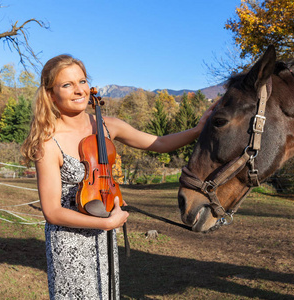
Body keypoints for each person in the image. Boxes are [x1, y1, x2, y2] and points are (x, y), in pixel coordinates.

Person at [21, 54, 215, 299]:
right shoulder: (47, 142)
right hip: (69, 241)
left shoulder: (106, 125)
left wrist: (198, 130)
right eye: (67, 85)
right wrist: (106, 223)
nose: (79, 90)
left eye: (82, 81)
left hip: (103, 237)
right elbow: (52, 211)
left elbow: (160, 143)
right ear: (50, 94)